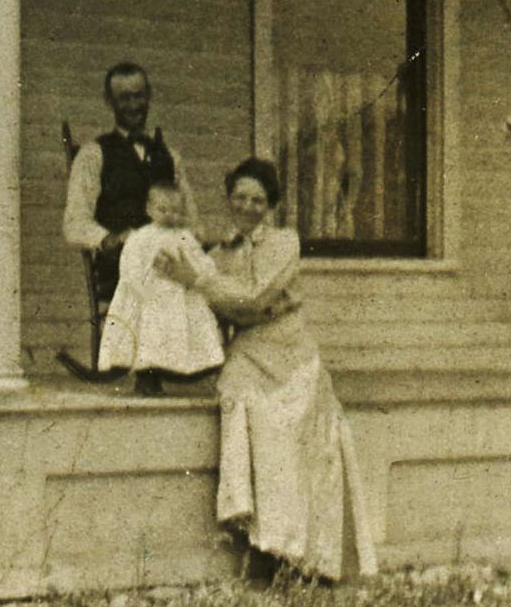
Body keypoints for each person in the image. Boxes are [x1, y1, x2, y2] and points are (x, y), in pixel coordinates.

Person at [155, 158, 377, 582]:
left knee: (293, 442)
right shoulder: (217, 253)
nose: (248, 206)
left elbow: (255, 298)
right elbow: (218, 308)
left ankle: (304, 556)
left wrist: (200, 282)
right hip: (248, 350)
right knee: (238, 404)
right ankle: (260, 544)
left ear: (270, 205)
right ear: (229, 199)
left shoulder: (284, 244)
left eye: (258, 199)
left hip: (291, 350)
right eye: (240, 197)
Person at [60, 62, 195, 380]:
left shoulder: (168, 156)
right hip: (121, 266)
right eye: (124, 98)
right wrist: (112, 239)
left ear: (149, 96)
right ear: (110, 102)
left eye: (139, 96)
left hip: (169, 261)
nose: (133, 105)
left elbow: (191, 217)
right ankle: (148, 370)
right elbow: (75, 223)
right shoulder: (95, 155)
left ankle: (196, 363)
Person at [96, 181, 223, 396]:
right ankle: (147, 378)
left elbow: (198, 259)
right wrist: (142, 291)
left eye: (175, 211)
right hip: (149, 296)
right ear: (149, 209)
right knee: (148, 336)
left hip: (179, 296)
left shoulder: (183, 235)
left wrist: (204, 271)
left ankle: (191, 370)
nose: (169, 216)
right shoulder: (140, 237)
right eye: (163, 210)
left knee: (191, 331)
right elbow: (130, 267)